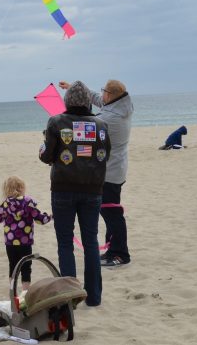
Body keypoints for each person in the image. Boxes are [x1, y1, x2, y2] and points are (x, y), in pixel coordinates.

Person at [39, 81, 111, 307]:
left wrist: (43, 148)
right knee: (90, 240)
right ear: (88, 101)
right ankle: (94, 296)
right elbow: (105, 154)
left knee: (65, 242)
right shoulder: (101, 124)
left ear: (67, 100)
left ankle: (69, 298)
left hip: (63, 188)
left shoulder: (57, 122)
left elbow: (46, 155)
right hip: (92, 188)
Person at [60, 79, 134, 268]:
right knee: (109, 211)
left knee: (111, 213)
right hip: (114, 169)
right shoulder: (118, 106)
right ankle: (112, 250)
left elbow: (86, 138)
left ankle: (120, 254)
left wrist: (65, 123)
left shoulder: (110, 118)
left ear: (109, 94)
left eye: (103, 92)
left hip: (110, 172)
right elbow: (96, 99)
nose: (101, 95)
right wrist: (74, 89)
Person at [0, 176, 52, 291]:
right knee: (26, 267)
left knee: (13, 266)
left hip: (10, 242)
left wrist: (5, 214)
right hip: (25, 242)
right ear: (22, 188)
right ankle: (25, 292)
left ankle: (13, 291)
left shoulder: (4, 205)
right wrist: (49, 217)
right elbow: (40, 219)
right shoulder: (28, 203)